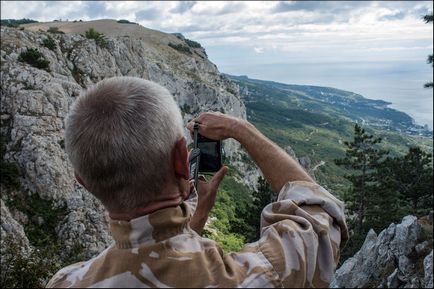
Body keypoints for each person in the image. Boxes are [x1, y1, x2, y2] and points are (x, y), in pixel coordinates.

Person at [47, 76, 348, 288]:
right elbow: (321, 213)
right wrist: (239, 129)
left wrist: (200, 211)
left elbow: (153, 258)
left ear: (83, 182)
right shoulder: (253, 278)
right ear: (182, 159)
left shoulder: (65, 281)